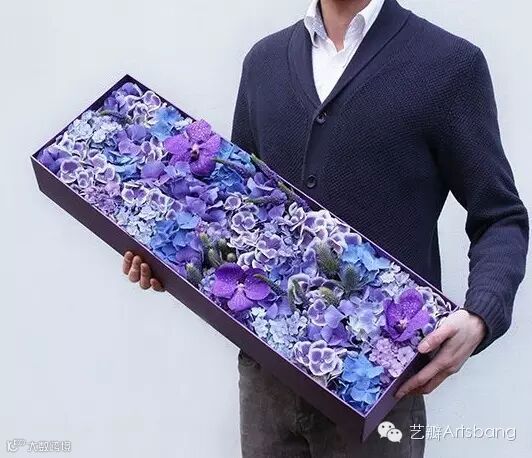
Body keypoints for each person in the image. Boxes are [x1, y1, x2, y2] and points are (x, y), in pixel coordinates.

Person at [123, 0, 529, 456]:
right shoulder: (263, 62)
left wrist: (480, 316)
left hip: (375, 391)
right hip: (265, 384)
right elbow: (238, 212)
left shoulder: (448, 64)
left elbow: (500, 215)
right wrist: (169, 256)